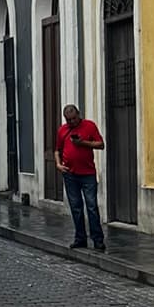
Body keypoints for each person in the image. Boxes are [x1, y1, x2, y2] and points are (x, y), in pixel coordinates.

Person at [56, 103, 106, 251]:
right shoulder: (62, 131)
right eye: (68, 120)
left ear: (79, 115)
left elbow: (101, 144)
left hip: (88, 174)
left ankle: (98, 240)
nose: (71, 122)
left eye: (73, 119)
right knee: (76, 207)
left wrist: (82, 143)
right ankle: (80, 238)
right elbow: (57, 150)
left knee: (91, 206)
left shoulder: (89, 126)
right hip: (70, 174)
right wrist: (58, 165)